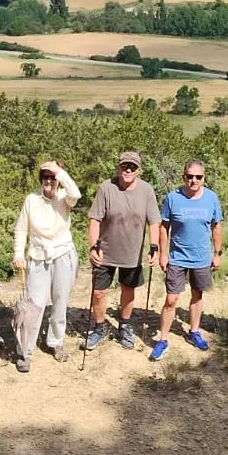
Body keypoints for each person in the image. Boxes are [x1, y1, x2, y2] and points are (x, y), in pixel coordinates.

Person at [85, 149, 161, 351]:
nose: (128, 170)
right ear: (118, 167)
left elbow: (154, 221)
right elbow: (94, 219)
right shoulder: (106, 187)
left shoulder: (146, 191)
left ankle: (125, 325)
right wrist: (93, 246)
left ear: (138, 170)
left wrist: (155, 247)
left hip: (132, 252)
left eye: (132, 167)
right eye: (124, 166)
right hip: (105, 251)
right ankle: (99, 328)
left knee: (128, 290)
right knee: (99, 292)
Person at [10, 159, 81, 372]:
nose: (49, 181)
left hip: (63, 255)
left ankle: (55, 342)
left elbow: (76, 194)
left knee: (60, 302)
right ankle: (25, 351)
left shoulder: (64, 198)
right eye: (46, 177)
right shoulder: (31, 200)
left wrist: (59, 171)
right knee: (34, 305)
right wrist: (18, 253)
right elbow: (22, 228)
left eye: (53, 177)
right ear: (40, 180)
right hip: (38, 256)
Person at [152, 159, 224, 361]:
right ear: (183, 177)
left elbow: (216, 226)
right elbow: (164, 227)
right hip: (177, 257)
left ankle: (194, 331)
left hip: (201, 258)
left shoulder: (211, 198)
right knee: (171, 299)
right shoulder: (172, 198)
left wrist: (217, 253)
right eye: (189, 176)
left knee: (197, 295)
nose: (193, 180)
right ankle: (163, 340)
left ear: (203, 178)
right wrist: (163, 254)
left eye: (198, 177)